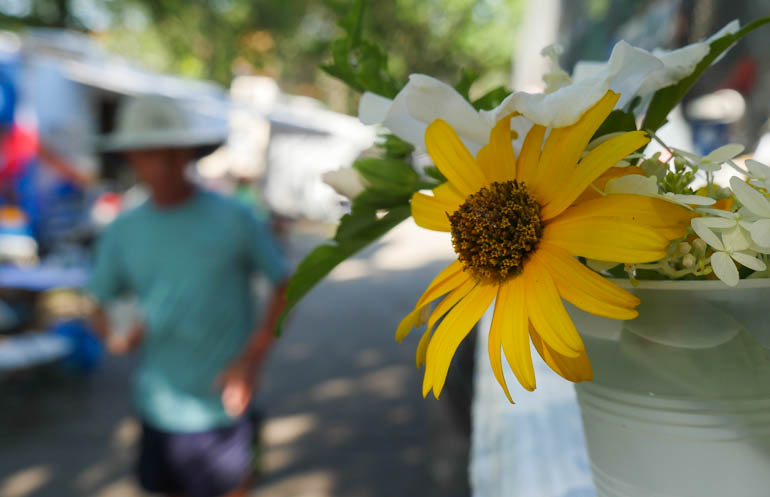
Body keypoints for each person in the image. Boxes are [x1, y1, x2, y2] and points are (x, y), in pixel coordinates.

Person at [87, 95, 289, 497]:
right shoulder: (122, 231)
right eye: (148, 153)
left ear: (188, 153)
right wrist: (115, 334)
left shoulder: (235, 218)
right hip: (157, 407)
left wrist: (252, 361)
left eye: (171, 152)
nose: (161, 164)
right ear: (130, 157)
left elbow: (285, 285)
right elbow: (98, 303)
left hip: (224, 408)